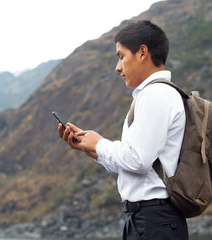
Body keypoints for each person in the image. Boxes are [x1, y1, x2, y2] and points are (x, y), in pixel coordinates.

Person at [57, 20, 189, 240]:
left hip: (153, 220)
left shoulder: (154, 95)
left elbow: (137, 160)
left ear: (142, 52)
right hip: (150, 219)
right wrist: (90, 148)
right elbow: (136, 166)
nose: (118, 67)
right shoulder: (156, 95)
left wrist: (99, 143)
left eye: (121, 56)